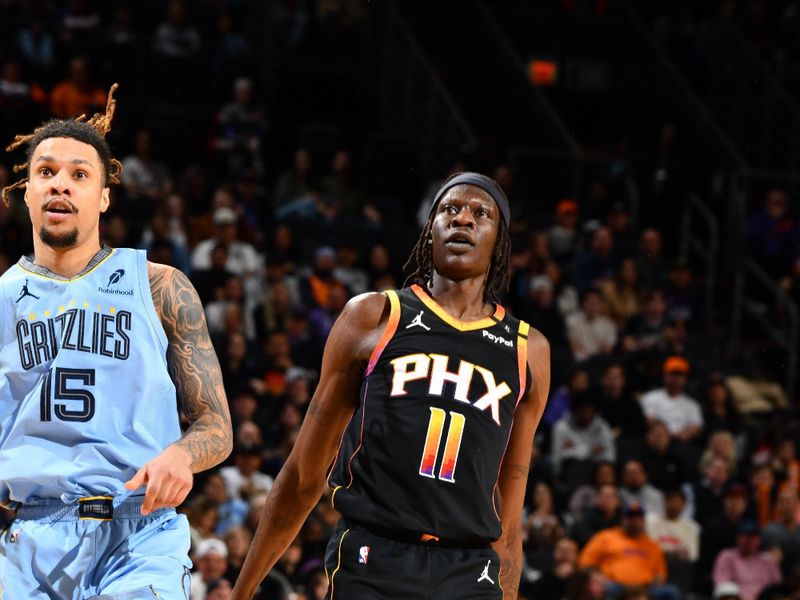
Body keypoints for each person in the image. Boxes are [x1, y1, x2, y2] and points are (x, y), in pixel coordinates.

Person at [232, 172, 551, 599]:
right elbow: (302, 476)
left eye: (481, 214)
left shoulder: (527, 351)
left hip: (470, 570)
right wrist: (242, 592)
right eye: (449, 210)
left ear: (500, 241)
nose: (463, 220)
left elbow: (509, 523)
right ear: (430, 231)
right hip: (373, 558)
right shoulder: (375, 317)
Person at [0, 86, 233, 598]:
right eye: (46, 172)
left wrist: (181, 456)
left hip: (139, 530)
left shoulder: (159, 285)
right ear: (27, 192)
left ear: (104, 196)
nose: (61, 185)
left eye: (80, 175)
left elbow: (216, 426)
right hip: (27, 541)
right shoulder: (3, 299)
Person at [578, 502, 680, 600]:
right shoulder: (606, 537)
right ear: (622, 519)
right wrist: (597, 577)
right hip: (615, 586)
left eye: (637, 517)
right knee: (603, 588)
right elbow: (585, 562)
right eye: (630, 517)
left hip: (645, 589)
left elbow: (661, 573)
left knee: (671, 592)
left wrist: (658, 579)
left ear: (643, 521)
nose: (634, 521)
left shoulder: (652, 545)